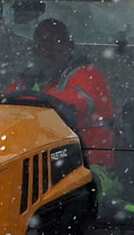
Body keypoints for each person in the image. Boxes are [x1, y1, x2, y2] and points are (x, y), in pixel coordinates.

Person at [10, 16, 117, 167]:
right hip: (42, 166)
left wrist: (22, 109)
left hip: (92, 171)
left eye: (56, 43)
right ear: (35, 49)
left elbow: (70, 107)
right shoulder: (26, 83)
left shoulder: (88, 76)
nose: (48, 50)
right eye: (42, 44)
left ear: (70, 46)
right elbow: (0, 110)